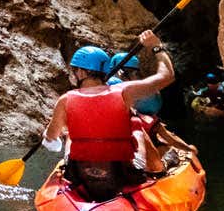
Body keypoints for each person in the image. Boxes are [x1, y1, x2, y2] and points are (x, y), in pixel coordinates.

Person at [41, 30, 175, 201]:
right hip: (121, 175)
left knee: (71, 136)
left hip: (80, 175)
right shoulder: (124, 91)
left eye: (75, 71)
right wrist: (157, 47)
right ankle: (158, 170)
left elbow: (51, 141)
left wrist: (48, 134)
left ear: (81, 73)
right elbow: (167, 76)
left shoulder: (65, 100)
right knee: (137, 130)